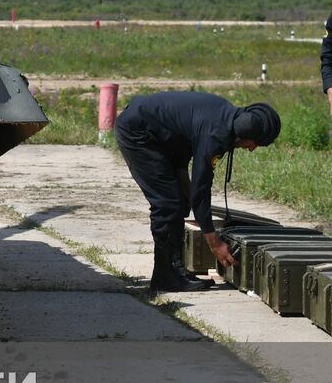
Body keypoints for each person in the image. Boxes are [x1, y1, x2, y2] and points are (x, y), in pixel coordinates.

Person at [115, 92, 280, 292]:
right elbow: (201, 190)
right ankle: (164, 277)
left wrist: (187, 192)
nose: (252, 149)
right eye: (256, 143)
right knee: (167, 204)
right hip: (138, 133)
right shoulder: (216, 135)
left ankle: (175, 270)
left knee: (179, 201)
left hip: (158, 134)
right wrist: (214, 243)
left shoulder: (225, 117)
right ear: (245, 134)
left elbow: (181, 145)